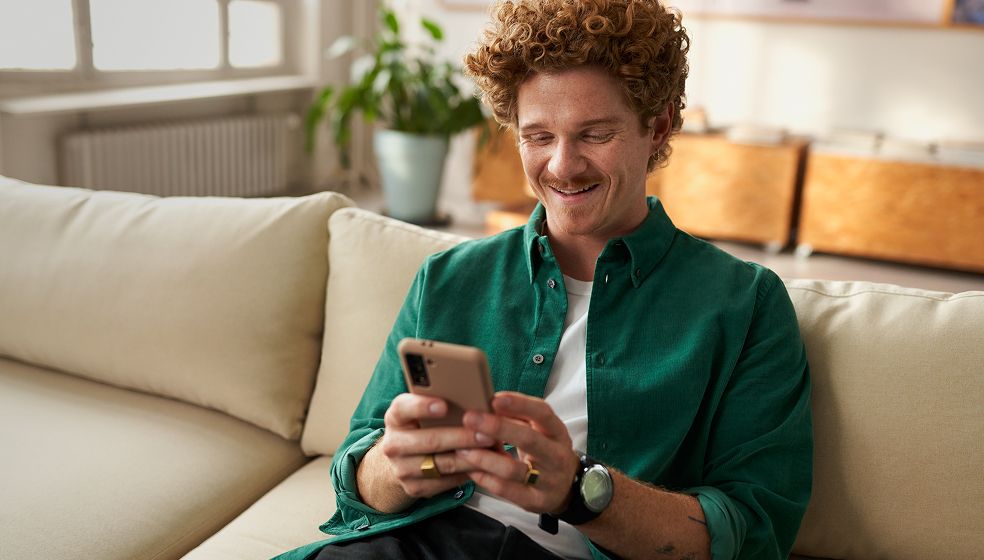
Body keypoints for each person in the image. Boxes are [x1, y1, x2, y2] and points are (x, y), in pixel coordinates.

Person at [277, 0, 812, 558]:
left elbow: (753, 531)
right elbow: (356, 481)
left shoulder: (745, 304)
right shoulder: (448, 278)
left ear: (658, 126)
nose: (561, 166)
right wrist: (396, 464)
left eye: (595, 134)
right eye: (538, 137)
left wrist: (581, 490)